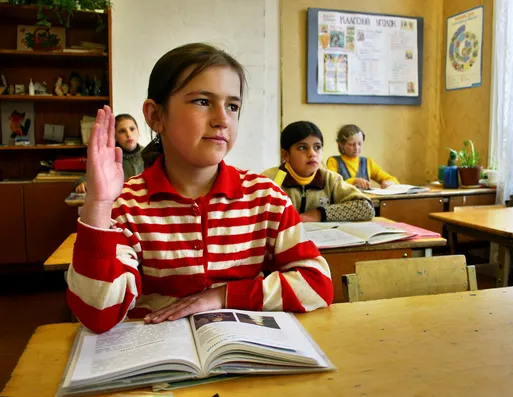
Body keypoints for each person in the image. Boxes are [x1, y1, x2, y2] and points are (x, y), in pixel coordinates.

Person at [67, 43, 333, 334]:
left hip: (243, 360)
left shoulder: (266, 199)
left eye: (232, 106)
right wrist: (98, 206)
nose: (222, 119)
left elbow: (317, 284)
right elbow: (97, 315)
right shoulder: (127, 206)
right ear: (156, 116)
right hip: (159, 362)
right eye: (202, 102)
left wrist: (221, 296)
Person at [262, 121, 374, 222]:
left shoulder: (330, 179)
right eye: (302, 148)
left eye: (317, 147)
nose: (312, 153)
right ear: (285, 155)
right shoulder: (272, 179)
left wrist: (320, 214)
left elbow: (366, 208)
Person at [74, 114, 144, 193]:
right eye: (122, 131)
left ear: (138, 131)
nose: (129, 134)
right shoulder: (109, 157)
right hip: (119, 202)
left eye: (132, 129)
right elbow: (86, 178)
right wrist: (82, 184)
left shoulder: (150, 154)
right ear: (115, 136)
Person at [326, 124, 399, 190]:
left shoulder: (368, 162)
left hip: (365, 202)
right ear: (341, 144)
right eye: (352, 144)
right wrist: (354, 181)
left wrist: (390, 182)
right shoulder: (333, 161)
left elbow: (390, 178)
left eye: (360, 144)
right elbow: (332, 184)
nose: (357, 148)